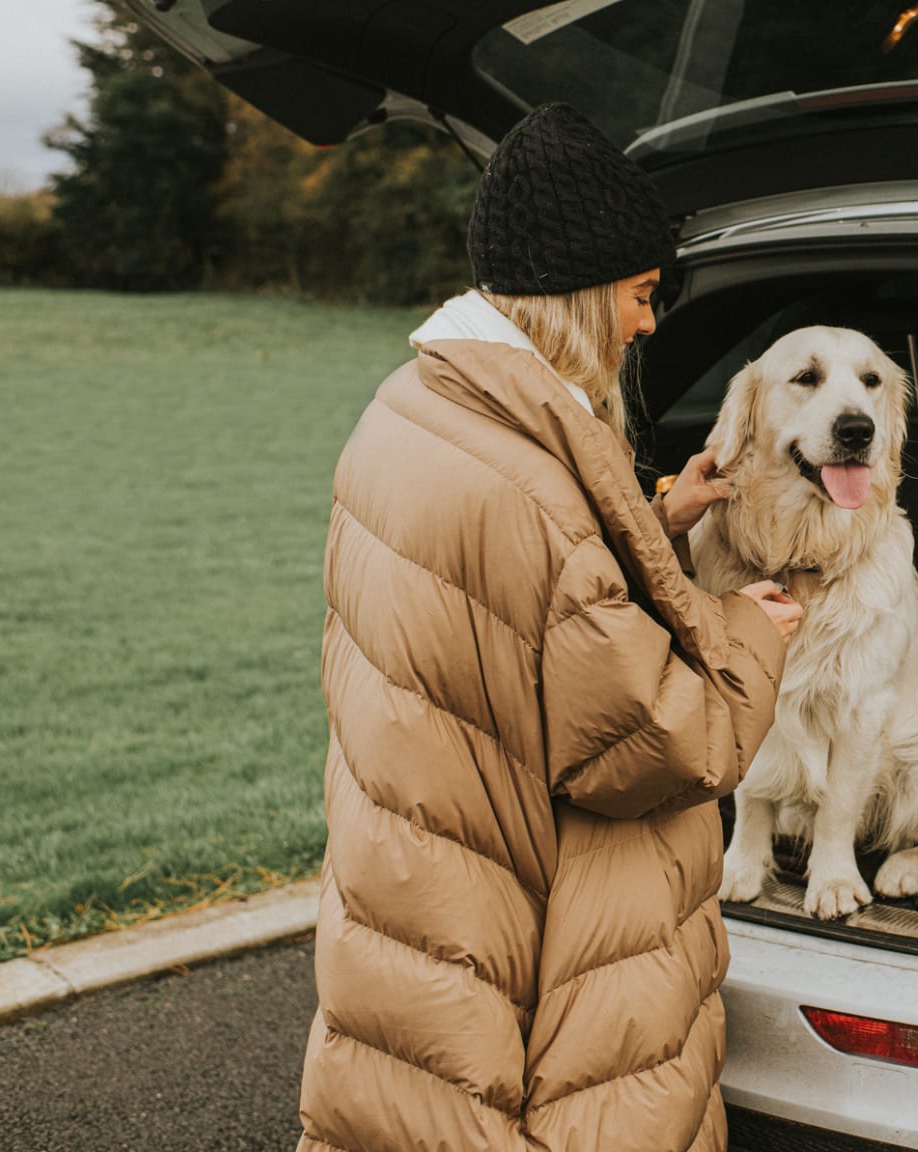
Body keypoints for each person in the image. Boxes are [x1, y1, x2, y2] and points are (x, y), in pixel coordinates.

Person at [297, 103, 800, 1152]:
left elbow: (507, 597)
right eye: (640, 295)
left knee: (412, 1108)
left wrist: (653, 521)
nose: (649, 324)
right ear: (576, 293)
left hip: (414, 874)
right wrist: (750, 631)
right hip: (520, 916)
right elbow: (655, 745)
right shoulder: (539, 492)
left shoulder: (407, 408)